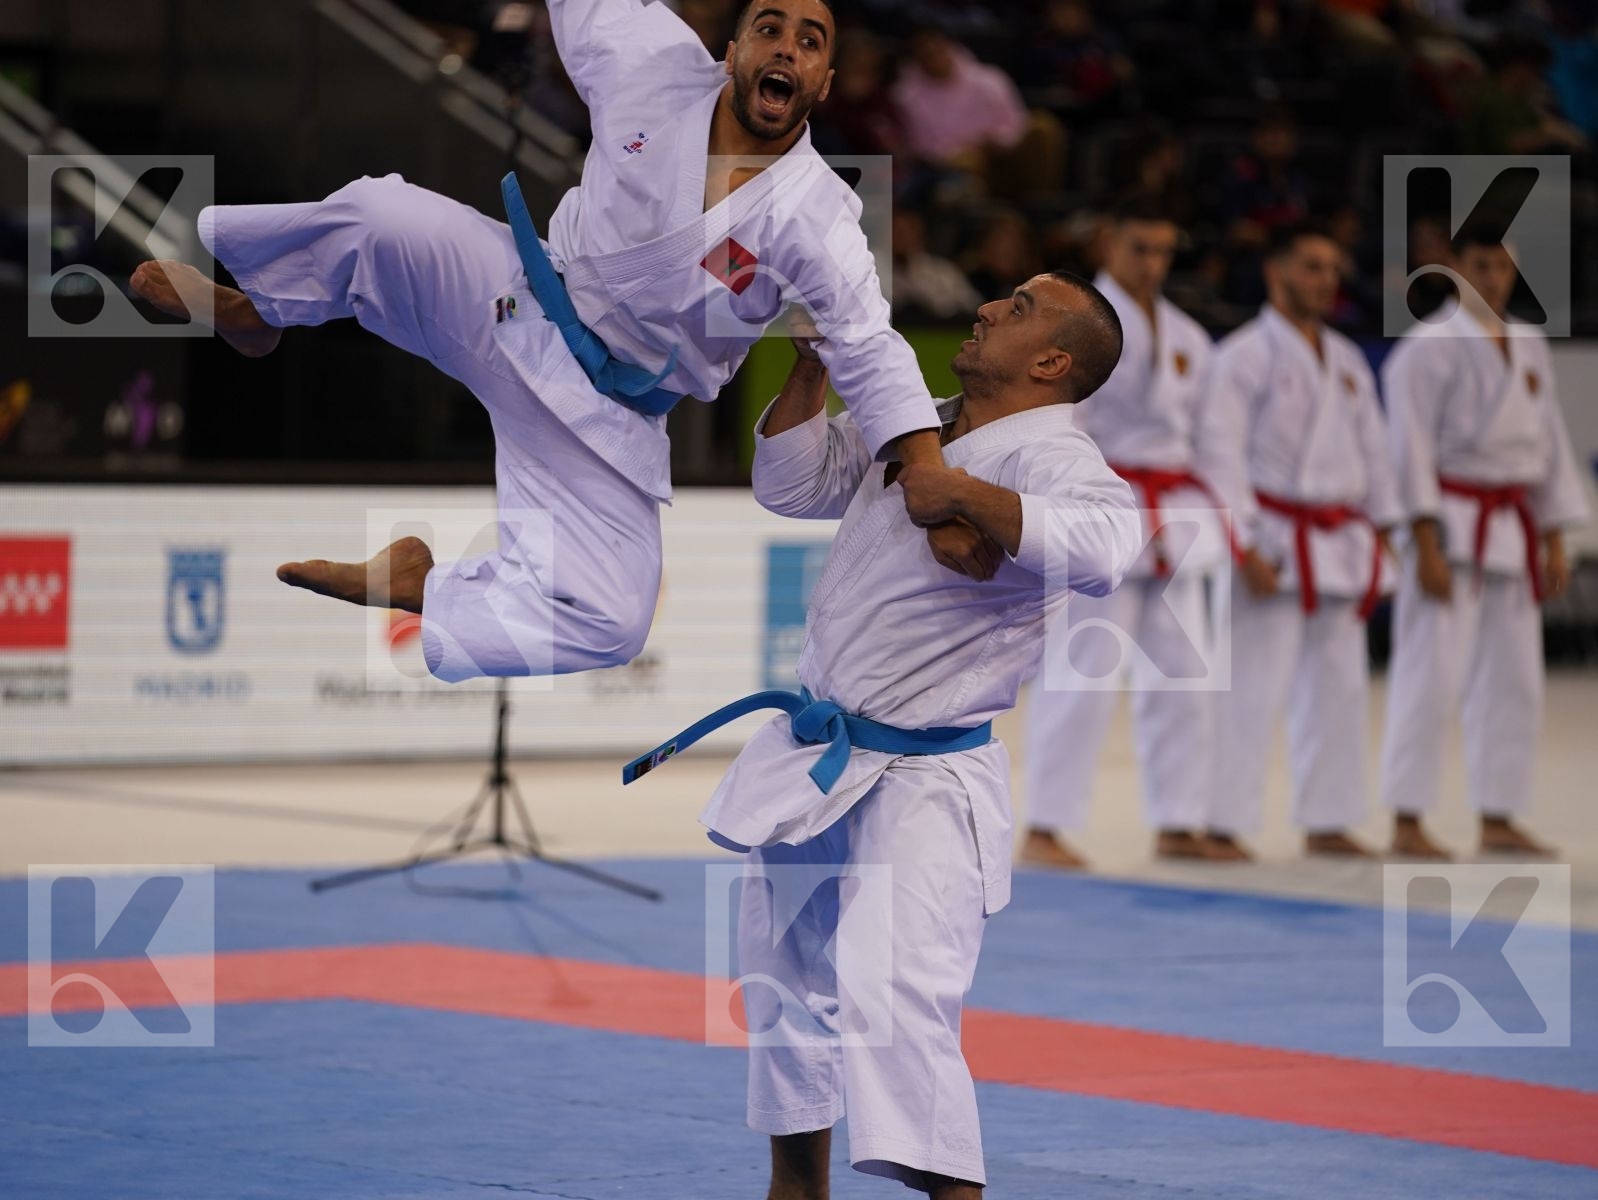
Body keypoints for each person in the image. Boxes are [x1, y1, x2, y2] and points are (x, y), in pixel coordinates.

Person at [130, 0, 985, 682]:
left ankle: (424, 583)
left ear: (825, 80)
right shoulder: (652, 62)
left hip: (604, 420)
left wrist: (934, 479)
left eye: (809, 41)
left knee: (612, 621)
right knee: (379, 212)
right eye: (770, 28)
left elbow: (870, 351)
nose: (786, 49)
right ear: (732, 49)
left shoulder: (819, 216)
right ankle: (259, 312)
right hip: (516, 302)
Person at [625, 275, 1140, 1196]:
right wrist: (813, 371)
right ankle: (797, 1186)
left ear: (1053, 362)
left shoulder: (1059, 460)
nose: (986, 308)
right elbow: (792, 486)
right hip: (819, 756)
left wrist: (959, 493)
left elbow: (1107, 551)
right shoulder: (921, 423)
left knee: (895, 992)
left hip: (928, 779)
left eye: (1017, 309)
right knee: (778, 980)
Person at [1022, 199, 1250, 869]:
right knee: (1080, 673)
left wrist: (1233, 523)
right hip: (1100, 509)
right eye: (1139, 250)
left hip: (1177, 519)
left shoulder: (1188, 338)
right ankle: (1045, 824)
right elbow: (1062, 422)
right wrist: (1073, 504)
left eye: (1163, 252)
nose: (1152, 265)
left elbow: (1218, 443)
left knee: (1186, 676)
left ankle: (1179, 820)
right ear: (1107, 245)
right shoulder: (1077, 328)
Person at [1379, 222, 1590, 858]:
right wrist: (1425, 541)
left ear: (1515, 268)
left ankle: (1499, 814)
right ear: (1452, 267)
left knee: (1516, 679)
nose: (1490, 278)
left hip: (1512, 527)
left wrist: (1553, 537)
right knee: (1430, 674)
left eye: (1500, 266)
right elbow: (1408, 449)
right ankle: (1407, 818)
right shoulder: (1426, 346)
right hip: (1451, 523)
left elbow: (1549, 446)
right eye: (1478, 265)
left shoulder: (1527, 342)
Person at [1207, 220, 1402, 858]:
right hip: (1273, 539)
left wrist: (1384, 527)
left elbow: (1374, 451)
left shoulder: (1346, 360)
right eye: (1313, 266)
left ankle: (1328, 820)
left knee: (1341, 689)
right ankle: (1222, 821)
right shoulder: (1242, 356)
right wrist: (1244, 542)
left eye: (1332, 270)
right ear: (1277, 271)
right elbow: (1220, 454)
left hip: (1339, 543)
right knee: (1251, 686)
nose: (1326, 281)